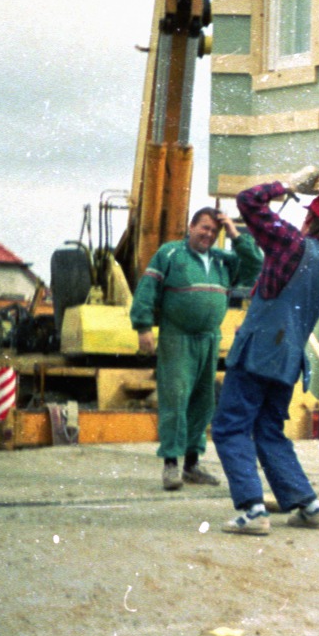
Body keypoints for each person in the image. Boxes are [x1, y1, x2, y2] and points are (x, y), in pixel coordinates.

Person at [211, 181, 319, 535]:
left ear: (310, 222)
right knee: (269, 430)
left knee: (230, 426)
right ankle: (310, 506)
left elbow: (248, 201)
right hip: (288, 361)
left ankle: (253, 511)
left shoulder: (292, 244)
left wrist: (285, 185)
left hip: (259, 352)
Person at [131, 206, 261, 490]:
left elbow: (255, 264)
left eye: (214, 230)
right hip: (177, 338)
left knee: (203, 403)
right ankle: (171, 465)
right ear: (190, 227)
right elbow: (146, 289)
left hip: (209, 339)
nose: (208, 234)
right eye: (204, 227)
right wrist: (143, 327)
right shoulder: (169, 254)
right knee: (176, 398)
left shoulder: (222, 260)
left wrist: (234, 231)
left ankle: (192, 464)